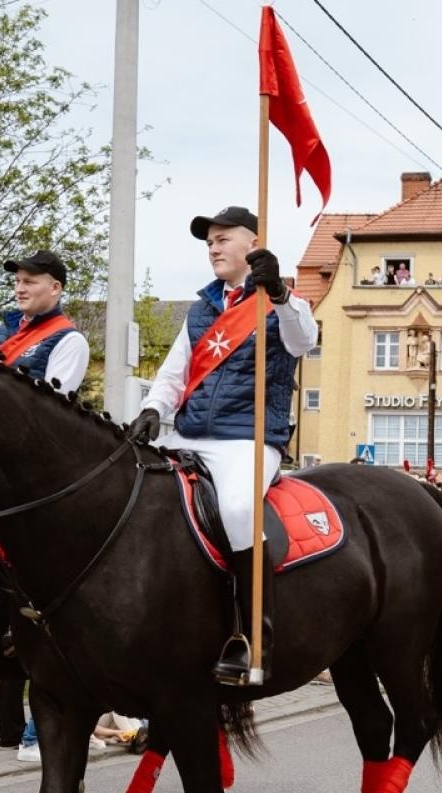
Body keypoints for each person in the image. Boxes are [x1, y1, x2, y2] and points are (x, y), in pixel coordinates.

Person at [129, 205, 318, 685]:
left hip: (248, 439)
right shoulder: (201, 309)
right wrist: (154, 409)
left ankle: (254, 633)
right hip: (190, 433)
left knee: (237, 509)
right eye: (209, 240)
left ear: (252, 244)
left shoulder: (284, 304)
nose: (213, 246)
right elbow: (175, 372)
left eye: (223, 237)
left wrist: (276, 292)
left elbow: (303, 342)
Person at [0, 250, 89, 395]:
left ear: (54, 288)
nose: (19, 290)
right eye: (17, 281)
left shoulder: (70, 341)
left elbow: (50, 408)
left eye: (29, 282)